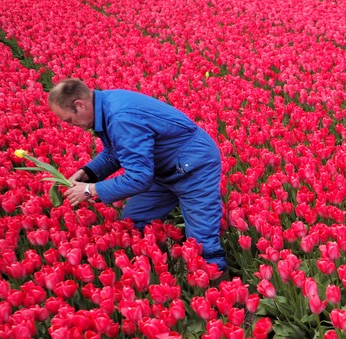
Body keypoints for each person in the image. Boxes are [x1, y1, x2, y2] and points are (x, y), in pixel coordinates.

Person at [48, 78, 228, 275]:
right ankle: (159, 268)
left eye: (68, 120)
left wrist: (91, 190)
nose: (71, 125)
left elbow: (138, 179)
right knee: (133, 222)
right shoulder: (105, 106)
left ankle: (216, 289)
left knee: (202, 242)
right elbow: (113, 152)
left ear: (79, 105)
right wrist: (88, 173)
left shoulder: (120, 117)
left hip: (193, 168)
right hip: (161, 169)